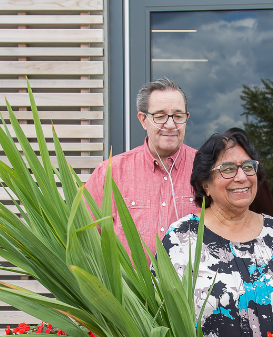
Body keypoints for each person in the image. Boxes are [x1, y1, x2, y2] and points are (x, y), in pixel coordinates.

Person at [161, 129, 273, 337]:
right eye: (228, 169)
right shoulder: (181, 237)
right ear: (205, 183)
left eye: (248, 167)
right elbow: (157, 317)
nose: (241, 177)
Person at [85, 77, 200, 254]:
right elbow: (86, 240)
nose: (170, 125)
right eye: (160, 116)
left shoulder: (206, 169)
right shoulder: (109, 172)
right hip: (127, 283)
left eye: (178, 116)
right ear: (143, 120)